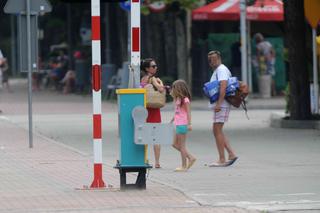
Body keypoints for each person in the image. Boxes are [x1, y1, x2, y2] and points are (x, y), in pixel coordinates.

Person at [207, 50, 238, 167]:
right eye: (210, 60)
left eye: (214, 59)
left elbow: (223, 86)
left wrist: (219, 103)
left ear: (219, 59)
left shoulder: (221, 70)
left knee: (217, 130)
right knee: (217, 130)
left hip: (222, 104)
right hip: (221, 104)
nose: (211, 62)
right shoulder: (218, 70)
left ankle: (222, 159)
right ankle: (231, 154)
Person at [140, 58, 164, 168]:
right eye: (153, 66)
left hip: (145, 110)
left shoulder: (143, 79)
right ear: (147, 68)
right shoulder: (153, 78)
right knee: (156, 138)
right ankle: (157, 162)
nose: (156, 67)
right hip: (154, 110)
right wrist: (160, 82)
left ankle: (144, 159)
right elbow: (160, 89)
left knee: (145, 137)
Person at [170, 79, 196, 172]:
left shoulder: (185, 100)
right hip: (178, 123)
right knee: (174, 144)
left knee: (182, 146)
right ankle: (190, 157)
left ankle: (184, 166)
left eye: (174, 88)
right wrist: (172, 120)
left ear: (179, 89)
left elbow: (188, 112)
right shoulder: (177, 99)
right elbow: (177, 112)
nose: (173, 89)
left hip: (183, 124)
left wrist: (189, 124)